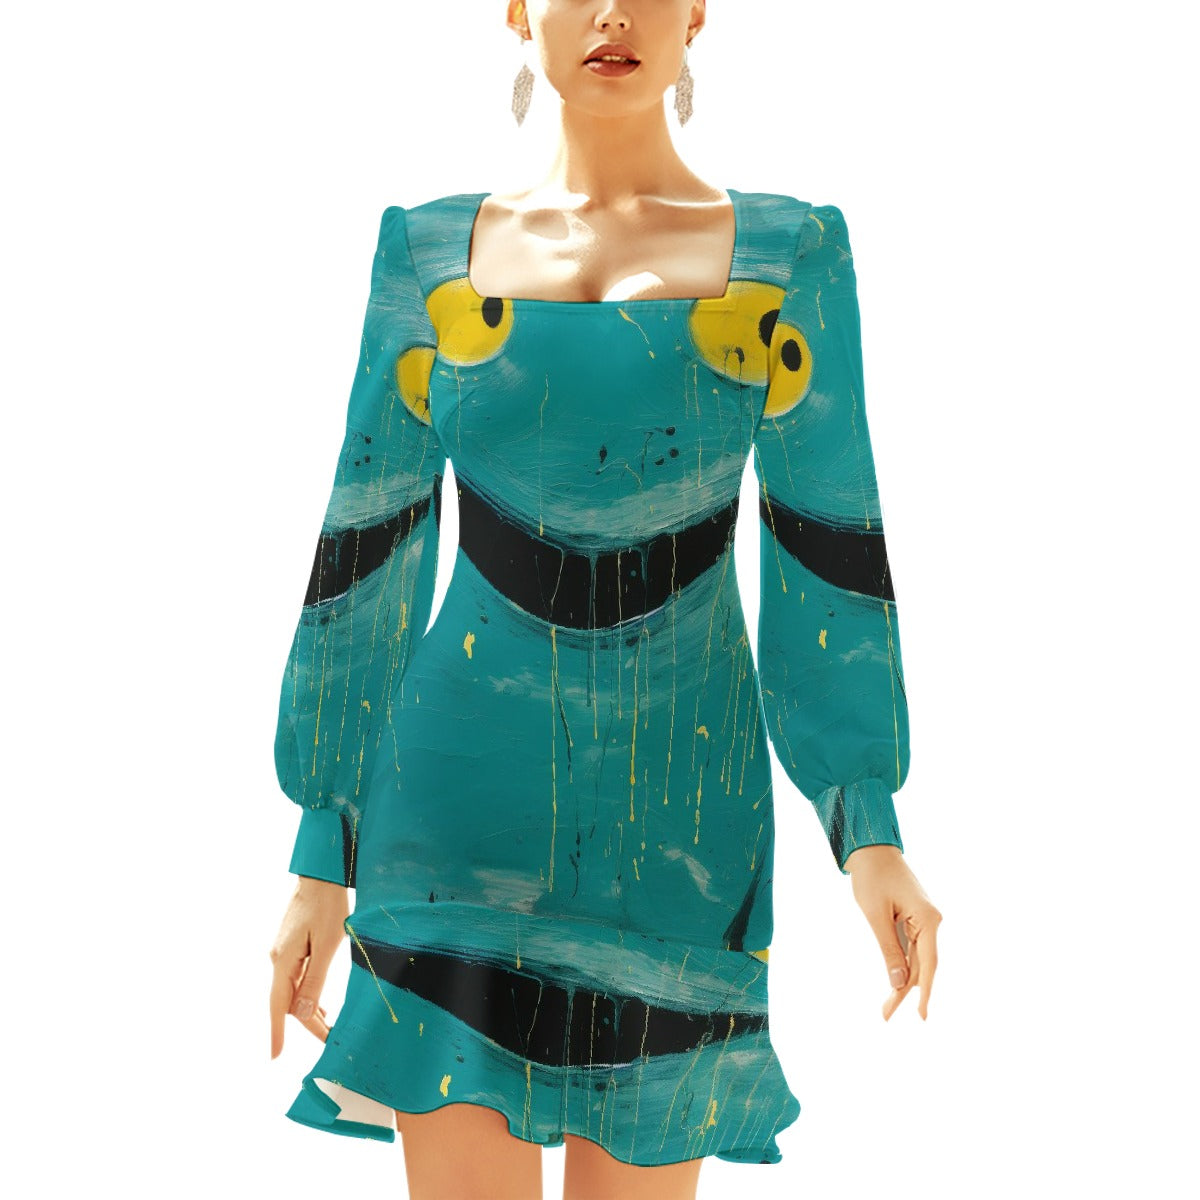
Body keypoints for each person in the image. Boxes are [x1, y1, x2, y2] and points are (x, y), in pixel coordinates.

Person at [267, 2, 943, 1197]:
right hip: (452, 825)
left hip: (685, 832)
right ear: (515, 10)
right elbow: (368, 545)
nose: (614, 11)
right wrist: (324, 847)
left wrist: (869, 827)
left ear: (701, 11)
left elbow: (826, 543)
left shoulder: (788, 256)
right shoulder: (428, 254)